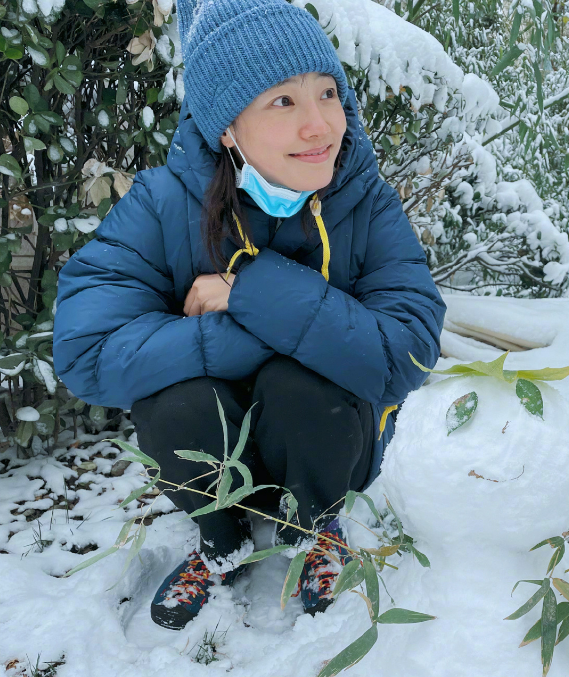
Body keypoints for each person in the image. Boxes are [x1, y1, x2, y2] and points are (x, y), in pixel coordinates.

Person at [52, 0, 445, 631]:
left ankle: (316, 526)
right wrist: (255, 333)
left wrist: (253, 293)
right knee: (173, 399)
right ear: (226, 127)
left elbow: (409, 352)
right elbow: (88, 352)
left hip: (326, 447)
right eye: (282, 102)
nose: (321, 126)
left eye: (327, 93)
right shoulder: (161, 205)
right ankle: (221, 538)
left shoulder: (365, 202)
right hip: (215, 452)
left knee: (305, 385)